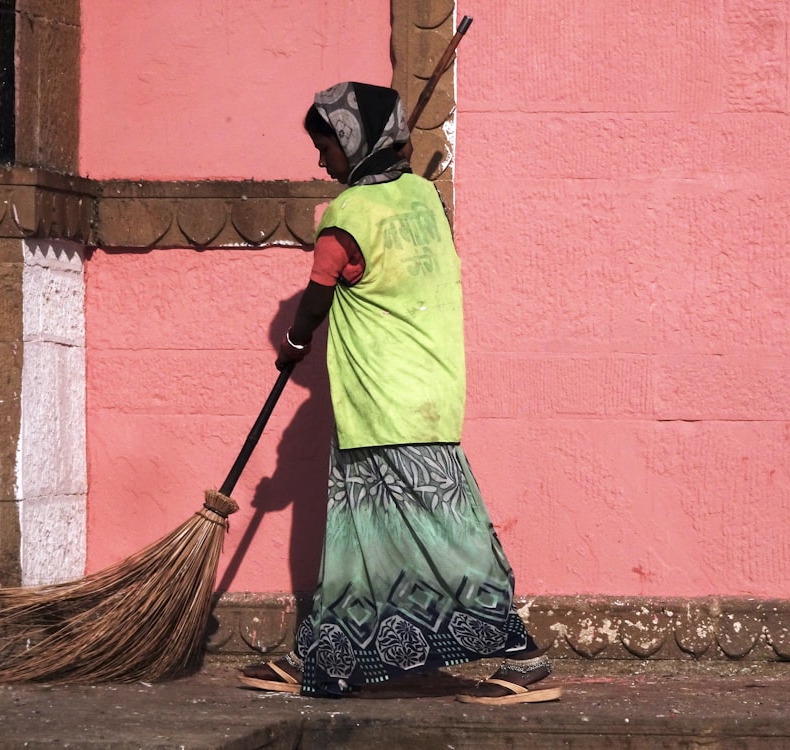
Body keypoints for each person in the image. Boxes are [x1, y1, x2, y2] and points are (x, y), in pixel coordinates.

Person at [238, 82, 561, 705]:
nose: (322, 159)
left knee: (446, 533)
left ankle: (523, 657)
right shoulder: (425, 200)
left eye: (326, 143)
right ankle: (323, 654)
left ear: (354, 141)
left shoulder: (347, 215)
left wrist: (295, 343)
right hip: (429, 392)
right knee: (358, 536)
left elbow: (316, 302)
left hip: (383, 401)